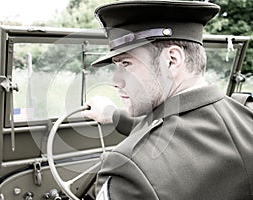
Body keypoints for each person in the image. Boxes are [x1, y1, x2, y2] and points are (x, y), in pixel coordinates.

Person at [82, 0, 253, 200]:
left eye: (126, 63)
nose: (115, 81)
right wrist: (111, 114)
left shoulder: (130, 169)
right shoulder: (246, 116)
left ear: (172, 60)